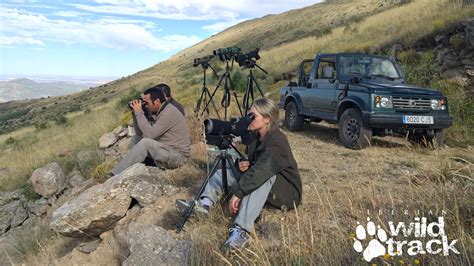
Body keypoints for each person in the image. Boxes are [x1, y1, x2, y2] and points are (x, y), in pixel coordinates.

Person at [176, 97, 302, 251]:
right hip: (268, 182)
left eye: (253, 116)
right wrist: (245, 164)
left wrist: (239, 193)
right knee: (227, 171)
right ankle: (205, 204)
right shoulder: (256, 136)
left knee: (263, 176)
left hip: (287, 193)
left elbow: (263, 170)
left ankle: (241, 231)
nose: (249, 119)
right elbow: (257, 163)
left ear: (267, 119)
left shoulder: (277, 140)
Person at [111, 84, 191, 175]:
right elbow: (140, 133)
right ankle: (136, 168)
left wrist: (139, 113)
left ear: (157, 101)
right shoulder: (159, 111)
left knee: (145, 143)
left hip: (178, 156)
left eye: (146, 102)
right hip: (166, 149)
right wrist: (135, 114)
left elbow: (149, 135)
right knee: (136, 139)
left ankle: (114, 175)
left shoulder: (168, 112)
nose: (145, 105)